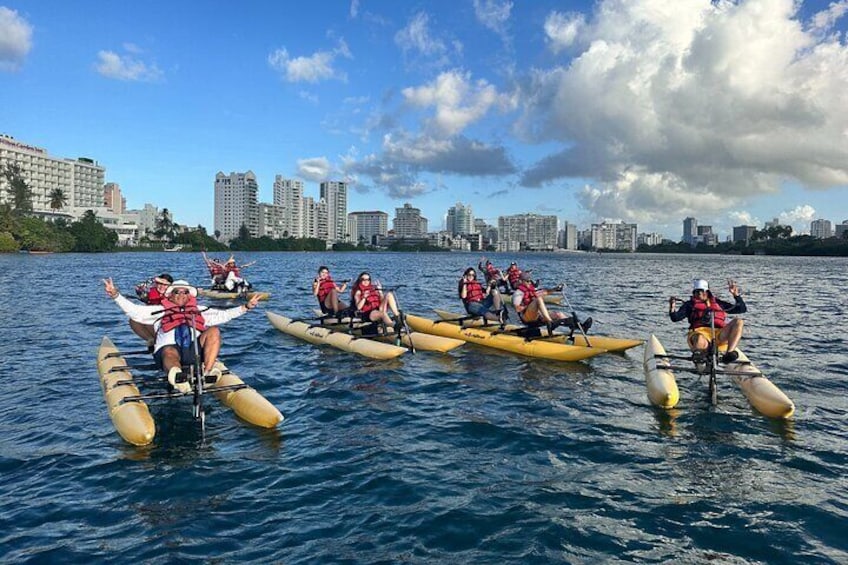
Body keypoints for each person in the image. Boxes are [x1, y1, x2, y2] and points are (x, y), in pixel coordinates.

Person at [103, 277, 260, 393]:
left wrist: (246, 307)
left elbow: (223, 315)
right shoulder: (159, 310)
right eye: (177, 292)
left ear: (189, 296)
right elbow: (134, 311)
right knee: (170, 351)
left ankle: (207, 373)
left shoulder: (200, 309)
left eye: (185, 292)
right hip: (168, 352)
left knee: (214, 331)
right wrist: (116, 295)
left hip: (194, 352)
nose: (181, 295)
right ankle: (178, 377)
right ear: (170, 295)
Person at [669, 278, 746, 364]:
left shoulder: (717, 303)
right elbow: (675, 318)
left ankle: (729, 354)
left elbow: (741, 309)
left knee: (738, 322)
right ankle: (700, 358)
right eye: (696, 292)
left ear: (707, 292)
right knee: (699, 338)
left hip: (719, 334)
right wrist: (672, 307)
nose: (699, 294)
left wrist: (736, 295)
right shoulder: (689, 305)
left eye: (701, 291)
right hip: (700, 333)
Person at [512, 272, 591, 334]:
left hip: (537, 316)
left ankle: (580, 327)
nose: (530, 282)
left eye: (530, 280)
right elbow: (518, 309)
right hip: (526, 318)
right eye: (527, 281)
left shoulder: (531, 290)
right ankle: (550, 323)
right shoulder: (518, 293)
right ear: (521, 281)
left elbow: (545, 292)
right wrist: (532, 305)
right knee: (538, 299)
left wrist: (556, 289)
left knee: (558, 314)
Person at [131, 273, 174, 345]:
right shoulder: (148, 294)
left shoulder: (174, 295)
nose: (162, 286)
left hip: (167, 323)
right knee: (133, 320)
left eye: (165, 284)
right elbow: (138, 288)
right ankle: (151, 340)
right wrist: (153, 279)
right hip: (153, 320)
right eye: (159, 283)